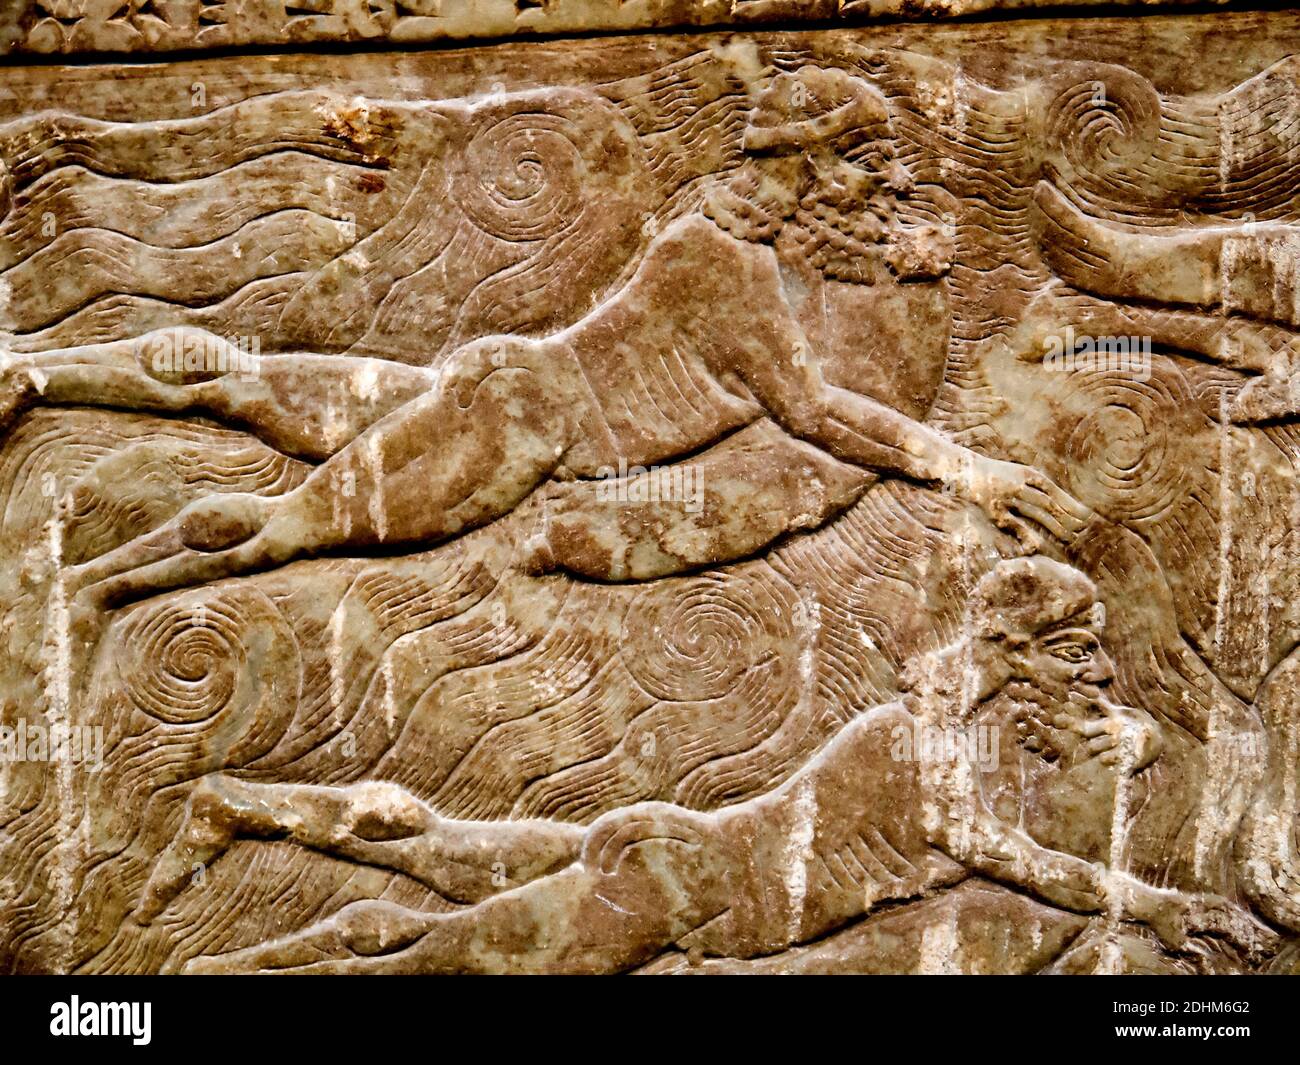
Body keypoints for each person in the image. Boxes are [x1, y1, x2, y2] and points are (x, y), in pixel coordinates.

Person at [0, 67, 1086, 612]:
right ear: (806, 167)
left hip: (505, 394)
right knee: (284, 530)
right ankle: (86, 595)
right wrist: (967, 468)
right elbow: (811, 413)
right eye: (856, 167)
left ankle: (35, 372)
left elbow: (873, 266)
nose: (872, 190)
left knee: (241, 385)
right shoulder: (727, 264)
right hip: (523, 431)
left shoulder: (726, 236)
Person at [133, 556, 1270, 974]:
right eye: (1074, 652)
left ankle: (245, 808)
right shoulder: (923, 745)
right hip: (684, 894)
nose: (1095, 675)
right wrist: (1152, 904)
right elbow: (1008, 858)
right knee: (438, 962)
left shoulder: (946, 725)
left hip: (676, 859)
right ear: (1013, 652)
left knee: (434, 847)